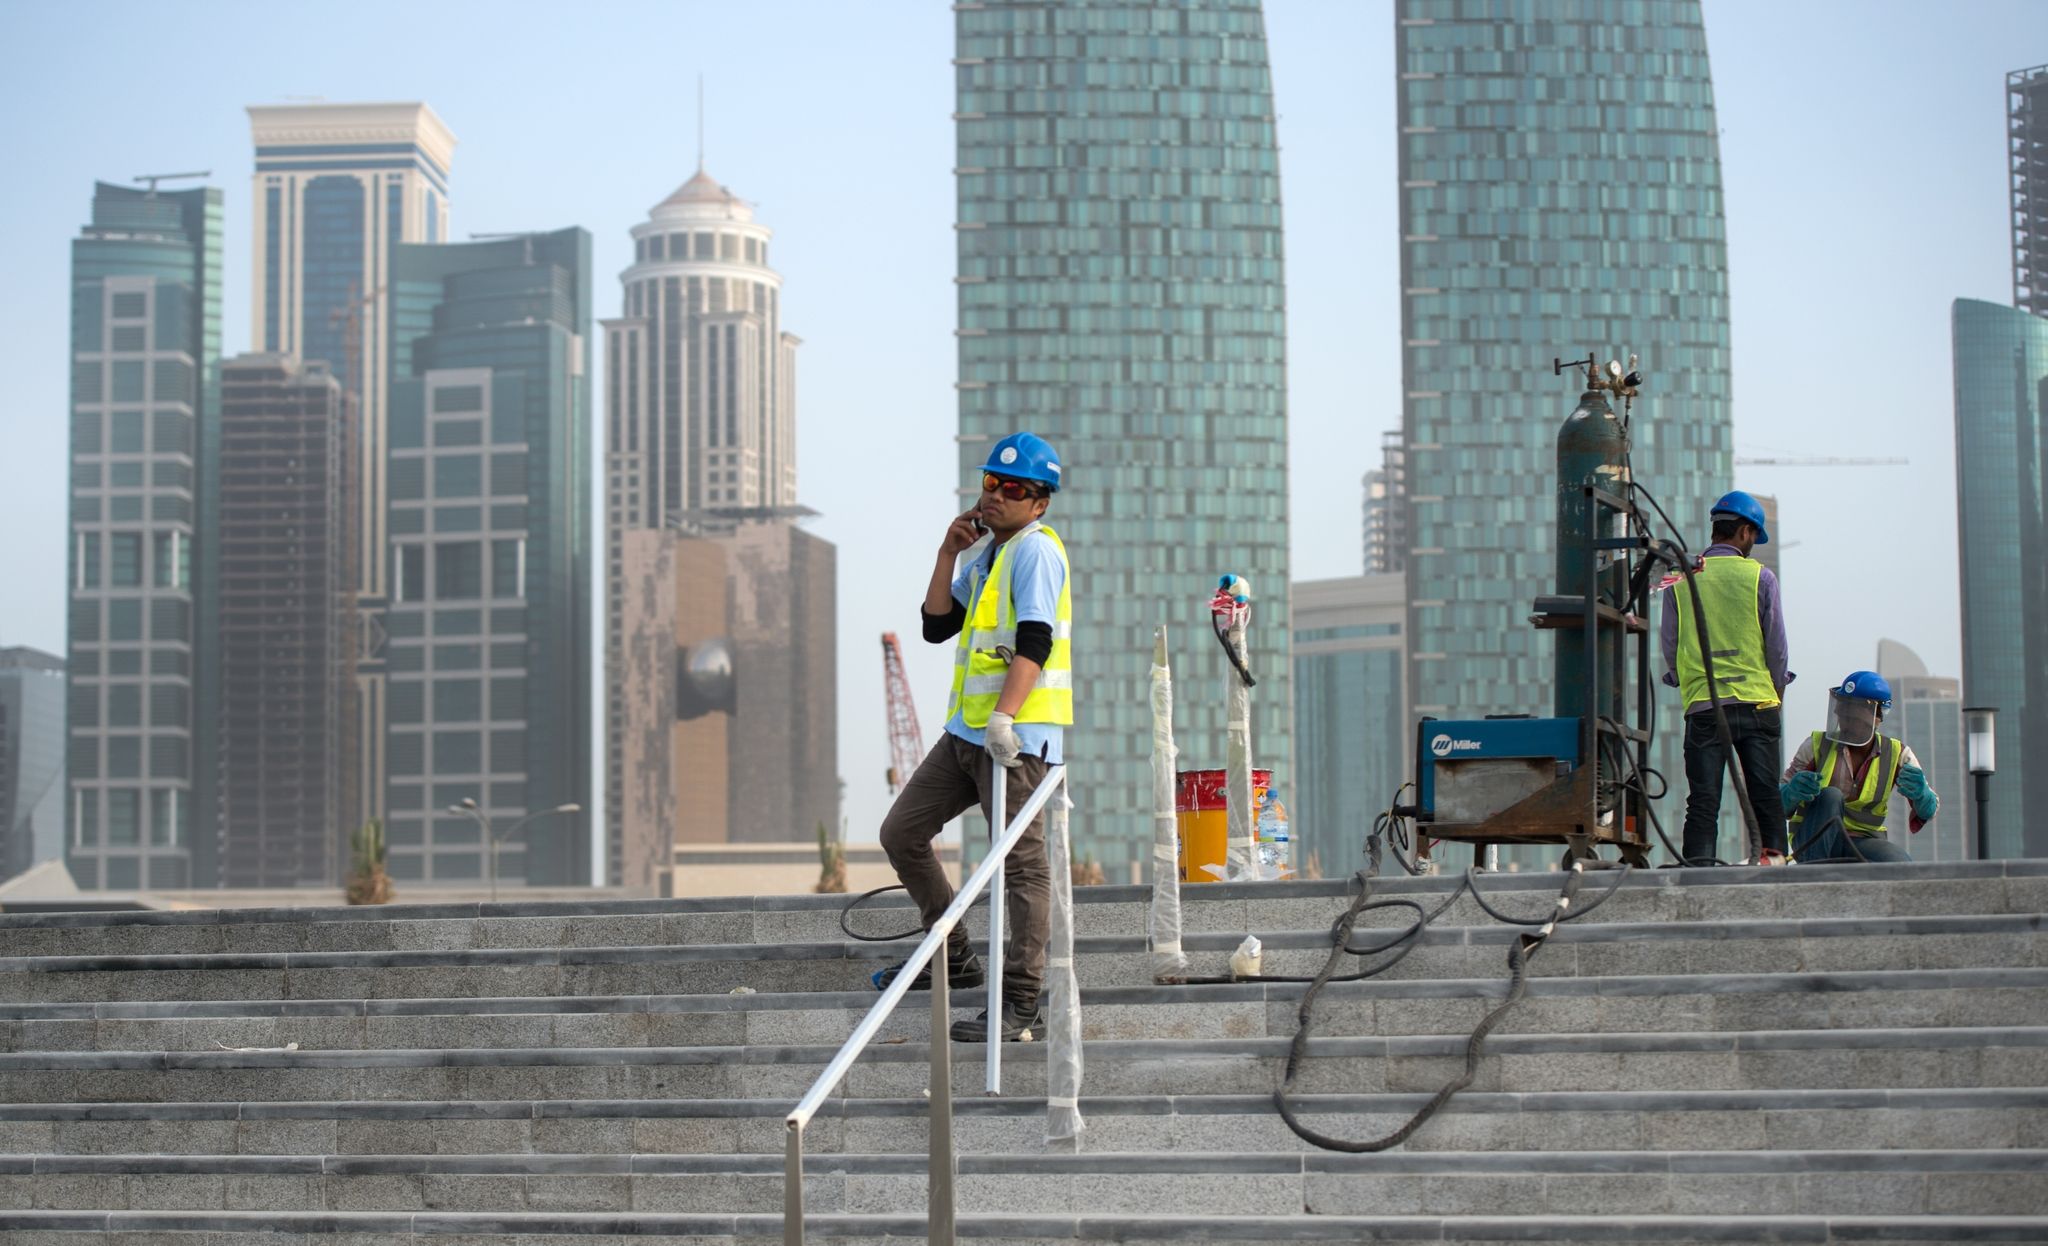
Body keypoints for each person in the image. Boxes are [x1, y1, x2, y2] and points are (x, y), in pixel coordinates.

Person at [874, 431, 1071, 1043]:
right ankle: (954, 958)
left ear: (1039, 503)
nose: (996, 496)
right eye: (990, 483)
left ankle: (1021, 1002)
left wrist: (1006, 718)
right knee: (901, 832)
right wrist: (947, 553)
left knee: (1021, 864)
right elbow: (937, 627)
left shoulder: (1036, 551)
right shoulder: (989, 556)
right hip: (965, 734)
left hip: (1012, 738)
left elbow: (1035, 641)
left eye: (1013, 489)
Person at [1661, 490, 1793, 865]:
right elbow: (1777, 649)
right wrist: (1776, 693)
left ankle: (1699, 876)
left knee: (1703, 801)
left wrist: (1686, 683)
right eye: (1754, 537)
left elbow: (1670, 644)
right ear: (1745, 532)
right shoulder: (1760, 577)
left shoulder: (1680, 577)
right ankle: (1774, 866)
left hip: (1704, 706)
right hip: (1757, 702)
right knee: (1765, 792)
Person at [1779, 671, 1936, 863]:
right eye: (1843, 711)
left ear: (1876, 718)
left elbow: (1929, 810)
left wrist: (1921, 795)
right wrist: (1791, 792)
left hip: (1863, 841)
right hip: (1813, 840)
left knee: (1898, 862)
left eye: (1853, 715)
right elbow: (1776, 805)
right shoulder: (1816, 745)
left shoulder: (1898, 754)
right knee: (1830, 795)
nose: (1844, 720)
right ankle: (1813, 876)